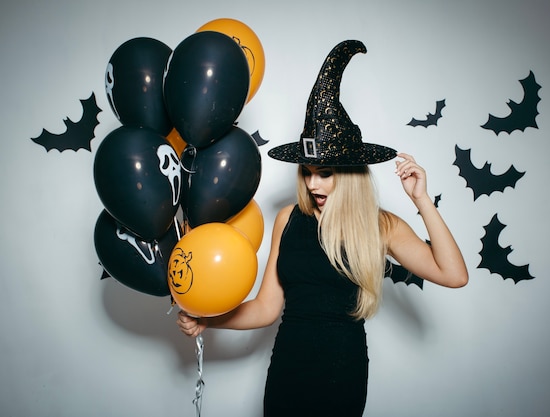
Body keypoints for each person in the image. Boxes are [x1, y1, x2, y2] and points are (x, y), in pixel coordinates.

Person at [177, 40, 468, 416]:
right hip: (287, 370)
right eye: (308, 173)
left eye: (325, 174)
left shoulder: (381, 226)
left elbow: (454, 275)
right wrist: (207, 319)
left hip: (341, 375)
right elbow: (267, 309)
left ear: (349, 174)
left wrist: (422, 201)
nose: (313, 185)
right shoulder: (288, 218)